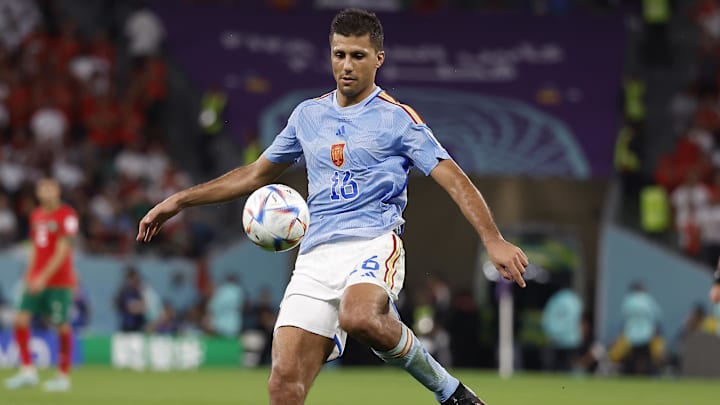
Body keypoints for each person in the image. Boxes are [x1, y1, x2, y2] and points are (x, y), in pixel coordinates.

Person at [137, 9, 528, 405]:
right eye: (339, 54)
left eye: (358, 56)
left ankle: (450, 391)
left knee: (358, 318)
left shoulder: (399, 121)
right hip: (315, 256)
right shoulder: (308, 116)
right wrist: (179, 200)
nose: (346, 65)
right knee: (282, 386)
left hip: (373, 242)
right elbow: (256, 174)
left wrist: (493, 240)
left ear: (379, 59)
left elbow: (454, 179)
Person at [4, 178, 79, 392]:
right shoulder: (36, 215)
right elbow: (35, 250)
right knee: (20, 319)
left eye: (50, 188)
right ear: (38, 193)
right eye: (42, 188)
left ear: (57, 191)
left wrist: (43, 277)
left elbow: (63, 251)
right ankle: (28, 371)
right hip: (36, 279)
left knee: (61, 325)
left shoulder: (68, 215)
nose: (46, 192)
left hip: (60, 282)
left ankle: (63, 376)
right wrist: (28, 277)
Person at [541, 277, 583, 372]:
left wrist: (550, 332)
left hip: (557, 339)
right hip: (573, 339)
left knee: (555, 367)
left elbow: (547, 319)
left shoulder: (556, 299)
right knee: (568, 367)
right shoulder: (575, 299)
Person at [620, 282, 662, 375]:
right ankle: (645, 373)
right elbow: (657, 315)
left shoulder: (629, 300)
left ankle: (633, 373)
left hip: (632, 333)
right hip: (646, 333)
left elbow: (624, 317)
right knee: (645, 356)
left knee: (633, 356)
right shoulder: (648, 299)